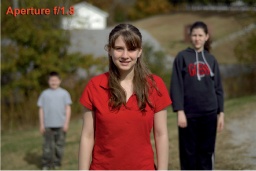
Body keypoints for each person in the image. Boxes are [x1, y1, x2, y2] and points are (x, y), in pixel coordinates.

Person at [78, 23, 172, 170]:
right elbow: (87, 136)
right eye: (119, 49)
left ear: (140, 51)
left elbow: (161, 134)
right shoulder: (95, 86)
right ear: (109, 50)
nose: (125, 55)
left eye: (132, 49)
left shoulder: (155, 85)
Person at [170, 21, 225, 170]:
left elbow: (218, 88)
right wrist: (180, 111)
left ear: (206, 37)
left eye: (200, 35)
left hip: (209, 113)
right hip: (189, 115)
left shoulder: (211, 59)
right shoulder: (182, 57)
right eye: (194, 35)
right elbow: (176, 86)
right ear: (190, 37)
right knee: (189, 154)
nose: (197, 38)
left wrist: (221, 113)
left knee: (206, 152)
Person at [37, 71, 72, 170]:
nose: (54, 82)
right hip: (48, 125)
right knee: (47, 147)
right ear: (48, 81)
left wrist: (66, 123)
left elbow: (68, 108)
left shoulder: (64, 93)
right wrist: (41, 124)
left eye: (56, 80)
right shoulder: (44, 94)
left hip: (61, 125)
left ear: (59, 81)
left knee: (59, 146)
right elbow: (41, 109)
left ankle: (57, 163)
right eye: (52, 80)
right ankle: (46, 164)